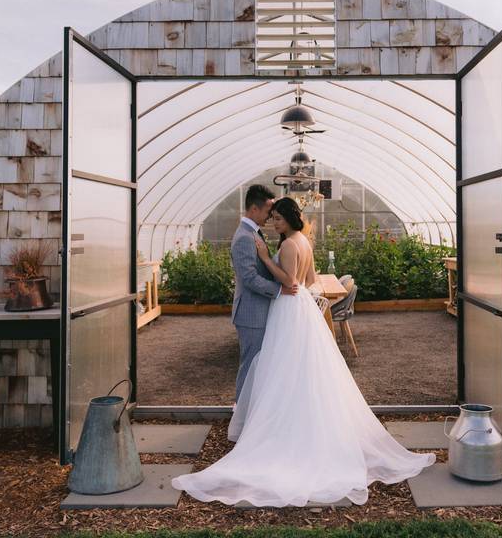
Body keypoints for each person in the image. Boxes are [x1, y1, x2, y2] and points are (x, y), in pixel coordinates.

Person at [171, 197, 434, 507]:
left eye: (279, 219)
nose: (274, 223)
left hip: (288, 308)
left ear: (290, 219)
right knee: (300, 368)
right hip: (304, 309)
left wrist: (266, 259)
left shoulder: (287, 246)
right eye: (273, 219)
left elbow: (291, 282)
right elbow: (309, 281)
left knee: (282, 365)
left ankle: (281, 429)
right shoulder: (305, 242)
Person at [228, 185, 298, 408]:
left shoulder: (253, 233)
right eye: (268, 210)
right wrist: (279, 290)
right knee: (250, 366)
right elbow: (249, 277)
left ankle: (253, 415)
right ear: (255, 209)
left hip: (259, 311)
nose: (270, 216)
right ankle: (242, 418)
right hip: (250, 314)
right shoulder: (244, 238)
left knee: (259, 366)